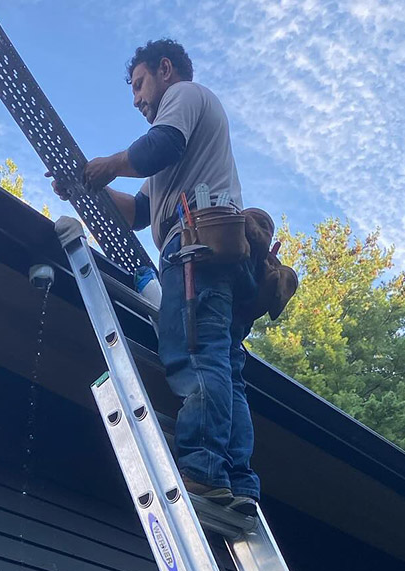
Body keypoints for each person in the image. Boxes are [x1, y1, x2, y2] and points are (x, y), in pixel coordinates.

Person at [49, 38, 259, 516]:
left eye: (140, 84)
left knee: (197, 356)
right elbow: (140, 211)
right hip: (219, 253)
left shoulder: (184, 97)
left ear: (166, 70)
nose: (138, 98)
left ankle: (204, 471)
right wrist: (85, 188)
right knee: (226, 369)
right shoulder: (177, 156)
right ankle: (239, 480)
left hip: (196, 253)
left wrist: (110, 163)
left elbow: (157, 146)